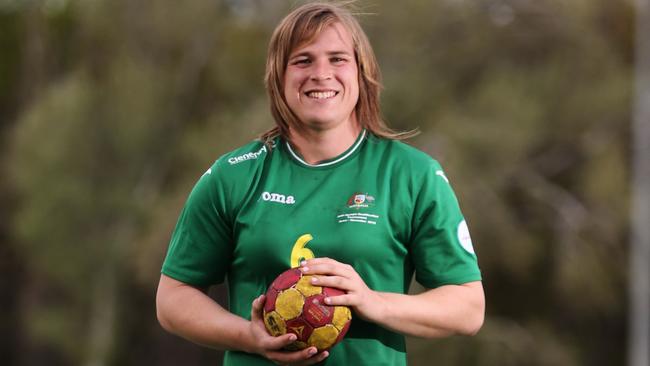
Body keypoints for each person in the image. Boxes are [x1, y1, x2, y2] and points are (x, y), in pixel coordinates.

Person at [156, 2, 485, 365]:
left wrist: (371, 301)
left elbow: (467, 307)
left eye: (338, 59)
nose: (321, 74)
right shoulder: (233, 175)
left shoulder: (413, 175)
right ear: (279, 76)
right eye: (303, 61)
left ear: (362, 72)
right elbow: (173, 298)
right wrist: (247, 337)